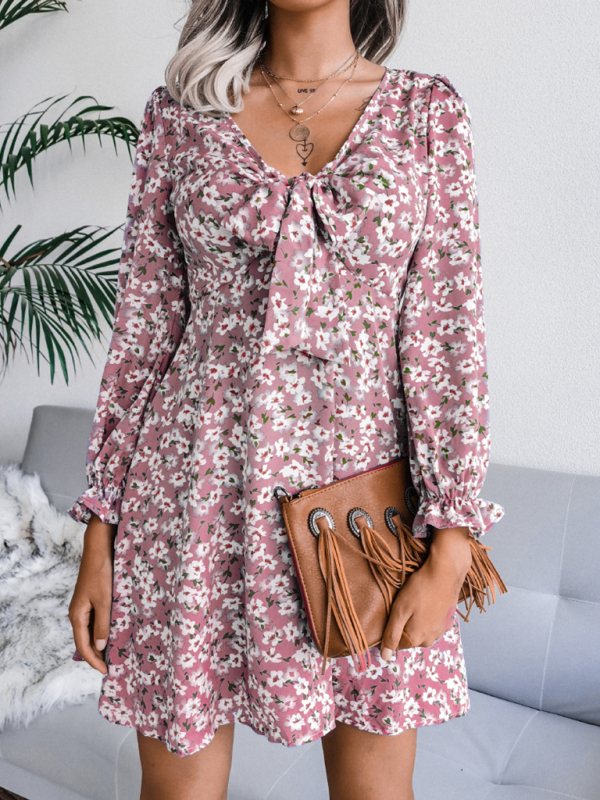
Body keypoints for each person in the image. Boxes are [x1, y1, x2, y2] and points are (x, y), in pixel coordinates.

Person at [68, 1, 505, 798]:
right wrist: (102, 525)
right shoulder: (180, 115)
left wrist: (453, 536)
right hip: (191, 503)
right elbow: (143, 332)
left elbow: (447, 333)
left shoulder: (427, 113)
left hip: (363, 517)